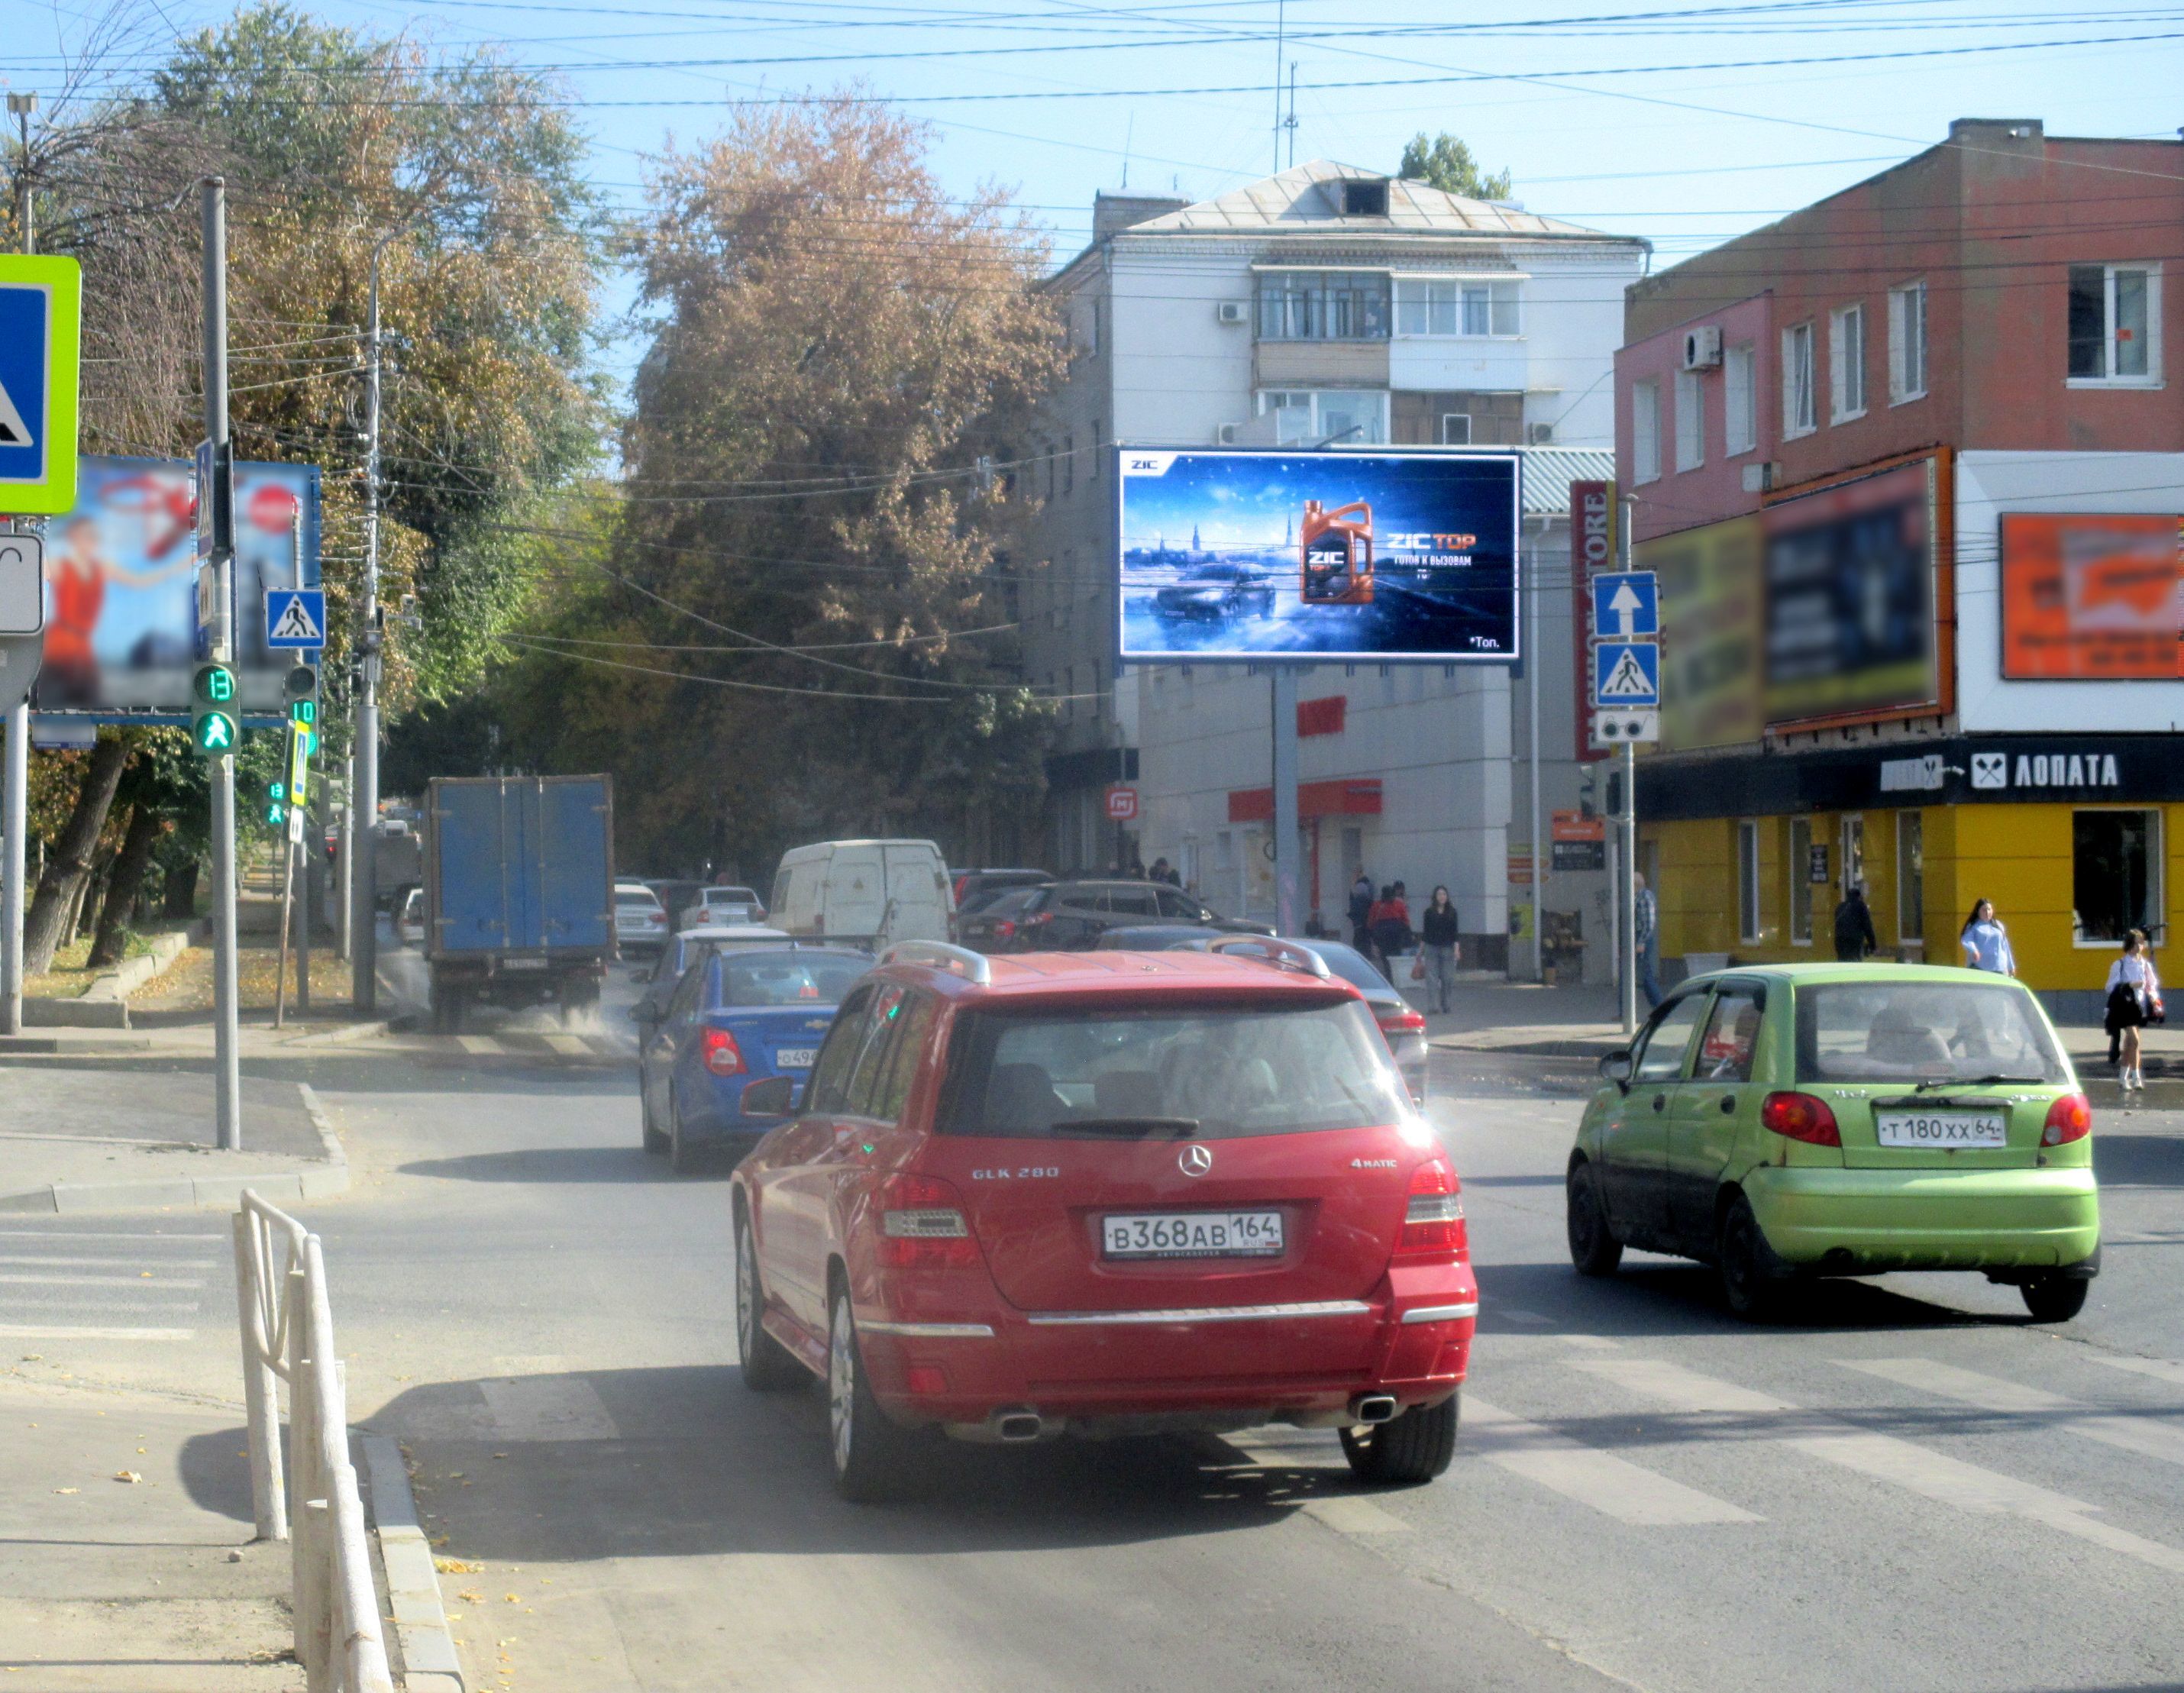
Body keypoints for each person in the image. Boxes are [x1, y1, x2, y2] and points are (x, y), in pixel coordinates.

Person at [2105, 929, 2160, 1091]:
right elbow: (2109, 987)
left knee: (2131, 1044)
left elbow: (2152, 985)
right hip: (2124, 1007)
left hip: (2139, 1006)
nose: (2139, 946)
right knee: (2134, 1040)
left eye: (2141, 943)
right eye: (2136, 943)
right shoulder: (2120, 964)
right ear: (2129, 944)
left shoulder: (2145, 964)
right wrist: (2129, 985)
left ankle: (2123, 1078)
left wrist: (2155, 1000)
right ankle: (2136, 1077)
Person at [1419, 886, 1461, 1014]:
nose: (1442, 896)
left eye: (1444, 894)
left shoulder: (1452, 912)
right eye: (1439, 894)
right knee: (1431, 978)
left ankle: (1446, 1004)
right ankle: (1433, 1006)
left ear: (1447, 897)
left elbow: (1455, 934)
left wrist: (1457, 949)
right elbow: (1425, 933)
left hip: (1448, 948)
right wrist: (1420, 951)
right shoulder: (1429, 912)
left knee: (1447, 978)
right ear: (1435, 897)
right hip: (1431, 948)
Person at [1959, 899, 2015, 975]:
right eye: (1984, 910)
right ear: (1978, 911)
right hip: (1979, 967)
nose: (1987, 912)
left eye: (1989, 909)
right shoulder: (1973, 926)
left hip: (1999, 966)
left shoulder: (1998, 926)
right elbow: (1967, 939)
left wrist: (2011, 966)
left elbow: (2005, 946)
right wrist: (1974, 950)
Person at [1371, 881, 1413, 977]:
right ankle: (1396, 977)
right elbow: (1406, 920)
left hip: (1382, 936)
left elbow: (1371, 922)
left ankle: (1388, 977)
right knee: (1396, 957)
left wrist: (1374, 936)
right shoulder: (1399, 904)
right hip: (1397, 936)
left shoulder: (1376, 905)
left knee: (1385, 958)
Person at [1633, 871, 1662, 1009]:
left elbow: (1649, 922)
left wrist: (1641, 942)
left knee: (1646, 975)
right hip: (1642, 938)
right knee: (1644, 976)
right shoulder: (1641, 896)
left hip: (1643, 938)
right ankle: (1657, 1006)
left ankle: (1660, 1005)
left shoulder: (1644, 897)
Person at [1832, 882, 1879, 963]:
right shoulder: (1861, 906)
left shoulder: (1840, 907)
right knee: (1854, 963)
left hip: (1840, 939)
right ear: (1859, 896)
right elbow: (1867, 927)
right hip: (1854, 940)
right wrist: (1873, 946)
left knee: (1842, 963)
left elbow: (1837, 924)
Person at [1348, 872, 1375, 954]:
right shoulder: (1368, 901)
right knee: (1365, 941)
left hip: (1357, 924)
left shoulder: (1354, 900)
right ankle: (1366, 955)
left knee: (1358, 940)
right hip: (1366, 923)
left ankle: (1359, 954)